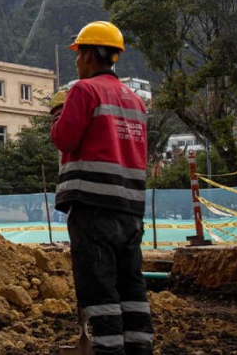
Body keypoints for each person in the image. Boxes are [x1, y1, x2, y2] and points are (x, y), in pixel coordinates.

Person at [50, 21, 153, 355]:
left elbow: (63, 138)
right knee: (131, 286)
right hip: (131, 211)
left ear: (92, 55)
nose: (77, 62)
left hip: (93, 208)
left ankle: (108, 350)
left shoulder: (83, 91)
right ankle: (140, 348)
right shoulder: (136, 101)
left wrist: (58, 113)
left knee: (100, 289)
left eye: (79, 55)